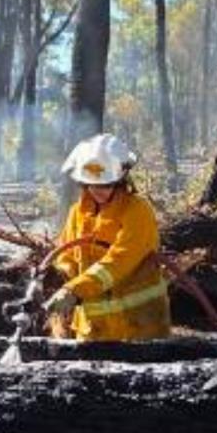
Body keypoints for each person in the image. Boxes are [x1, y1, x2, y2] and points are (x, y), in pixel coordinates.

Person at [44, 133, 172, 342]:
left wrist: (75, 290)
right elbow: (66, 255)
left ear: (121, 179)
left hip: (139, 331)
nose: (98, 191)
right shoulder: (78, 212)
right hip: (92, 332)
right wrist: (61, 277)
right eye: (92, 185)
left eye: (106, 185)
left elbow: (118, 261)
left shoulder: (137, 211)